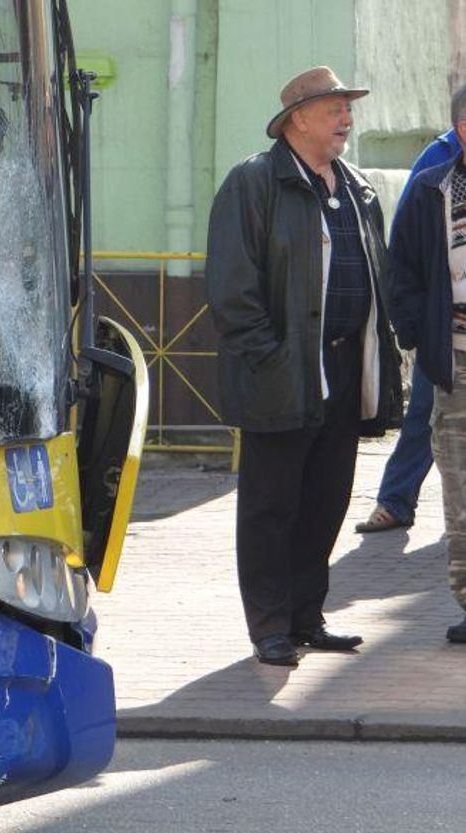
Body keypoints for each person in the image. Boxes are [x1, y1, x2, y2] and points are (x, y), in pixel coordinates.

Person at [206, 66, 402, 667]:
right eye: (334, 108)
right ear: (297, 119)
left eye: (347, 108)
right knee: (271, 507)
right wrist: (268, 357)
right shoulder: (254, 182)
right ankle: (269, 625)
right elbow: (233, 289)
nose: (346, 118)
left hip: (343, 371)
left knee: (326, 499)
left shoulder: (358, 188)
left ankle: (305, 616)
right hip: (281, 371)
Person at [387, 85, 466, 645]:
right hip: (457, 372)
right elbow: (403, 273)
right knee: (461, 495)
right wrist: (425, 340)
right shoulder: (430, 190)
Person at [356, 127, 462, 534]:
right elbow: (405, 245)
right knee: (424, 412)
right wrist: (413, 325)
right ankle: (396, 501)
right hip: (445, 323)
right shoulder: (440, 156)